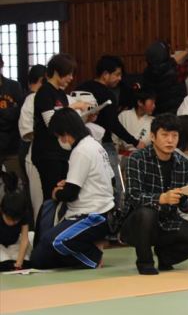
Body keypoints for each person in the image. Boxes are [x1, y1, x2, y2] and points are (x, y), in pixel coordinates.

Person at [120, 114, 188, 275]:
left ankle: (166, 257)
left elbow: (184, 206)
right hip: (136, 225)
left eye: (174, 136)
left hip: (169, 222)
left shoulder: (184, 164)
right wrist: (161, 198)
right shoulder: (137, 159)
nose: (170, 140)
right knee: (146, 213)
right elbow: (133, 197)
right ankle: (145, 262)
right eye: (164, 135)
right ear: (153, 137)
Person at [31, 109, 114, 269]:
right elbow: (109, 179)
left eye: (60, 136)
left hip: (92, 216)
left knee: (51, 245)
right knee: (41, 255)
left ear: (67, 132)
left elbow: (70, 194)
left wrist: (56, 193)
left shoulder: (81, 151)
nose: (61, 140)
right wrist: (70, 182)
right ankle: (86, 250)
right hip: (101, 210)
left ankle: (93, 257)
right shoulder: (94, 145)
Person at [77, 56, 142, 206]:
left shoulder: (80, 88)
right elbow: (113, 124)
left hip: (80, 144)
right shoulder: (107, 94)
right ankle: (118, 214)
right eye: (117, 74)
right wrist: (135, 142)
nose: (119, 78)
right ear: (105, 74)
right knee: (115, 184)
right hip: (104, 144)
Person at [32, 54, 91, 200]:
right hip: (47, 152)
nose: (71, 78)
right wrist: (74, 106)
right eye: (68, 74)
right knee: (51, 194)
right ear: (57, 71)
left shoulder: (61, 94)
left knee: (62, 193)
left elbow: (66, 121)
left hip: (61, 152)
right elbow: (52, 123)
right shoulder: (45, 92)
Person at [143, 22, 188, 115]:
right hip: (176, 117)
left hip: (157, 117)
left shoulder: (148, 72)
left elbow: (171, 61)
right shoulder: (176, 73)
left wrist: (187, 50)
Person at [18, 64, 46, 220]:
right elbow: (27, 131)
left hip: (30, 147)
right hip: (29, 148)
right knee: (37, 198)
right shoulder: (31, 98)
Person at [0, 54, 25, 179]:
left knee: (16, 183)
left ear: (1, 64)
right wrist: (8, 112)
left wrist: (4, 113)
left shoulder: (14, 86)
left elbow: (20, 113)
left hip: (12, 144)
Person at [0, 171, 30, 271]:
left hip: (15, 242)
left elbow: (24, 239)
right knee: (4, 261)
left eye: (16, 221)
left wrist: (19, 263)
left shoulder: (23, 214)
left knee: (26, 260)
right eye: (9, 219)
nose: (12, 223)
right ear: (2, 212)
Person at [116, 88, 155, 156]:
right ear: (140, 102)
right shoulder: (124, 115)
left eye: (154, 103)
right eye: (151, 103)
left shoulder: (153, 121)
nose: (154, 106)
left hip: (144, 157)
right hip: (122, 156)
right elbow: (115, 140)